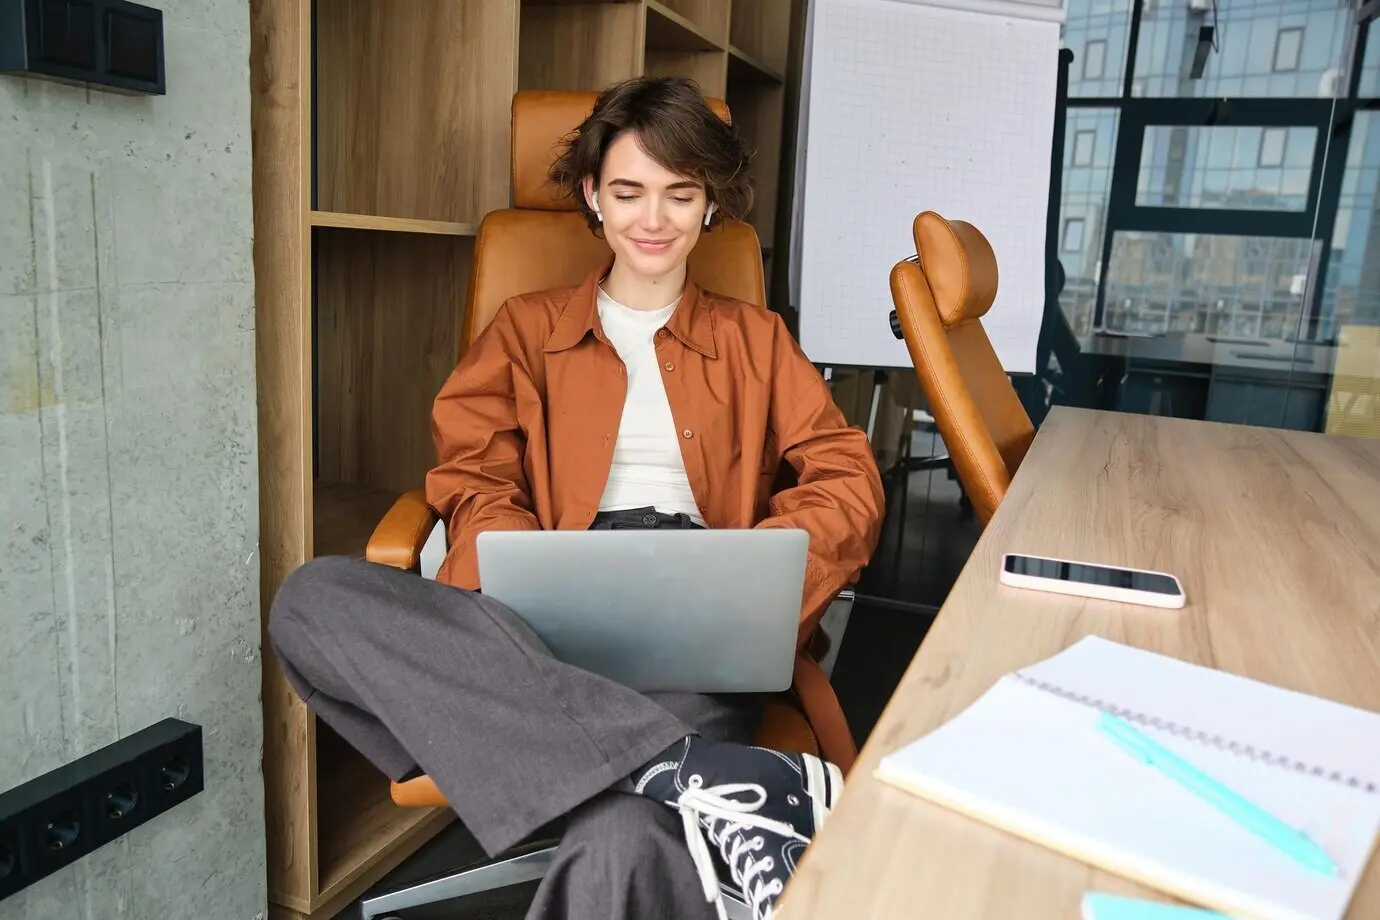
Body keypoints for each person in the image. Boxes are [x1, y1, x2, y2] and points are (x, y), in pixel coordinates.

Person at [268, 76, 885, 920]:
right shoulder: (525, 329)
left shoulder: (757, 339)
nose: (653, 219)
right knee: (311, 601)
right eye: (628, 192)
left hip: (691, 610)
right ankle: (702, 776)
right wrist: (528, 578)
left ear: (711, 203)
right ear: (593, 196)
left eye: (680, 194)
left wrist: (759, 579)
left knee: (622, 839)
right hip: (538, 615)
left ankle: (662, 773)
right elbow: (476, 477)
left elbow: (846, 477)